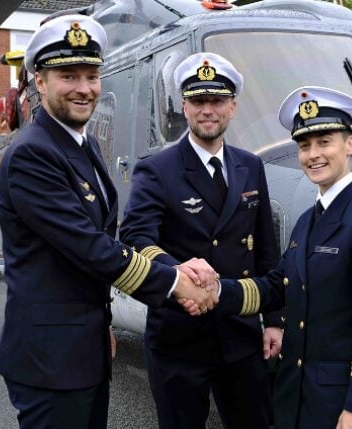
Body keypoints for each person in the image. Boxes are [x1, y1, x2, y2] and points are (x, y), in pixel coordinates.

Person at [0, 15, 216, 429]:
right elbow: (90, 248)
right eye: (68, 75)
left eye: (91, 75)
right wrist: (176, 283)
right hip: (50, 359)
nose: (84, 88)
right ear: (39, 81)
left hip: (79, 347)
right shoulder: (32, 155)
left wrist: (169, 268)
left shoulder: (83, 143)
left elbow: (100, 238)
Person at [218, 86, 352, 429]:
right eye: (304, 146)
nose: (313, 154)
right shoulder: (308, 220)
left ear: (350, 144)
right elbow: (278, 287)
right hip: (299, 398)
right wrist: (216, 292)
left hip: (343, 406)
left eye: (324, 142)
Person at [119, 52, 283, 429]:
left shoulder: (250, 165)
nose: (208, 110)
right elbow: (135, 236)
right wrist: (177, 272)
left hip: (241, 334)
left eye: (217, 101)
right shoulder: (157, 168)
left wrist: (274, 320)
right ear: (184, 106)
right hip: (179, 336)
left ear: (232, 106)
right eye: (198, 101)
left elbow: (266, 247)